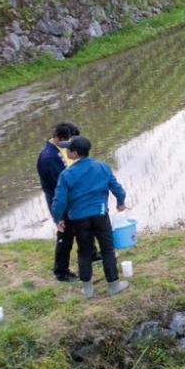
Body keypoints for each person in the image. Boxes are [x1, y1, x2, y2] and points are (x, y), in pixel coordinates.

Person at [50, 135, 129, 299]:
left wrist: (58, 219)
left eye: (68, 149)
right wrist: (120, 202)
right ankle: (113, 285)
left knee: (84, 251)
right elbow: (117, 188)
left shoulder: (66, 175)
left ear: (74, 153)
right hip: (100, 214)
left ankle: (88, 289)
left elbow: (59, 201)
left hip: (78, 219)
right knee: (107, 249)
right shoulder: (102, 167)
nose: (66, 151)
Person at [36, 121, 80, 282]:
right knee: (65, 234)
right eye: (69, 141)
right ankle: (61, 271)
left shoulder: (57, 150)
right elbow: (59, 187)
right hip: (59, 201)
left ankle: (92, 254)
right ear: (59, 137)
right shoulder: (49, 158)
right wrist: (59, 215)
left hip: (67, 198)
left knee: (81, 227)